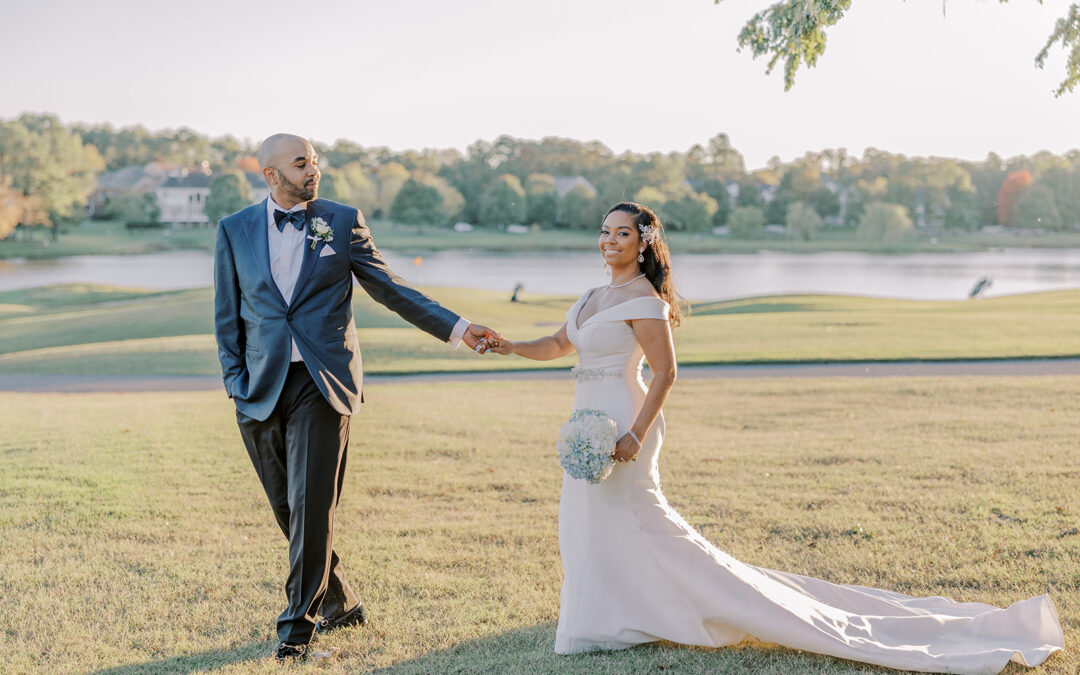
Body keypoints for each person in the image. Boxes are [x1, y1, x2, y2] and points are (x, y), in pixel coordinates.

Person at [485, 201, 1063, 673]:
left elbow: (666, 372)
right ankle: (607, 619)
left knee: (639, 519)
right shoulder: (589, 299)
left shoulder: (643, 300)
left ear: (643, 242)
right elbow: (560, 344)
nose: (609, 240)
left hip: (624, 421)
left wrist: (635, 433)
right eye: (604, 232)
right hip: (585, 419)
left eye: (621, 233)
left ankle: (681, 609)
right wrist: (509, 345)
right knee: (589, 518)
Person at [213, 134, 498, 662]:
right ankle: (340, 602)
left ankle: (295, 630)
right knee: (288, 509)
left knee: (312, 507)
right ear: (271, 174)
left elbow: (391, 287)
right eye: (301, 164)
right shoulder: (234, 229)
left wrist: (457, 327)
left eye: (315, 162)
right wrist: (235, 382)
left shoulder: (341, 221)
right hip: (258, 388)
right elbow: (227, 316)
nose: (312, 171)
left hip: (323, 384)